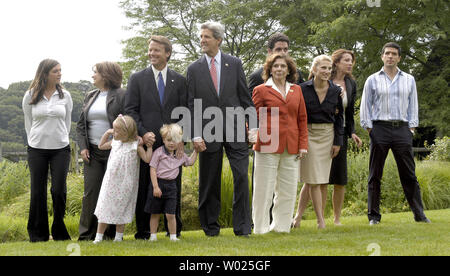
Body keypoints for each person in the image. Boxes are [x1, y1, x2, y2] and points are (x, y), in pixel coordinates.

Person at [187, 21, 257, 237]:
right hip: (208, 131)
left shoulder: (234, 63)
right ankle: (210, 227)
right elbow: (191, 104)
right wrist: (195, 134)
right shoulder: (194, 69)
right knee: (209, 180)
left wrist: (253, 127)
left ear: (218, 39)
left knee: (241, 178)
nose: (202, 40)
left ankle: (243, 226)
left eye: (206, 36)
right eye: (201, 37)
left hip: (236, 128)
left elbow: (246, 98)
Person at [125, 35, 188, 239]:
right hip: (148, 144)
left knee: (173, 186)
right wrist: (143, 133)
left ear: (167, 53)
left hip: (172, 143)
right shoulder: (137, 78)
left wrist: (180, 141)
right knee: (145, 186)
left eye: (156, 50)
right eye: (150, 50)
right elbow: (130, 110)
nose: (151, 53)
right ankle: (143, 231)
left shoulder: (179, 80)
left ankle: (174, 231)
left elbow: (185, 112)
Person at [360, 42, 430, 225]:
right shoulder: (372, 79)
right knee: (375, 174)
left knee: (409, 174)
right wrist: (369, 129)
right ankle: (374, 217)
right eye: (387, 53)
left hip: (402, 129)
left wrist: (411, 128)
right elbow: (365, 106)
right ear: (382, 56)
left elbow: (413, 105)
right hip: (379, 128)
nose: (390, 56)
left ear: (399, 57)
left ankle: (419, 214)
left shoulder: (409, 79)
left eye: (394, 54)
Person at [251, 53, 308, 234]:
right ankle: (260, 228)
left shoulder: (296, 90)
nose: (279, 69)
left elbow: (302, 119)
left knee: (288, 190)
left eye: (283, 66)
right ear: (269, 69)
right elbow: (253, 117)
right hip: (267, 144)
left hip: (291, 145)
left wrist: (303, 145)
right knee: (263, 189)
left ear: (289, 70)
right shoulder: (261, 90)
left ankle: (282, 228)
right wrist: (253, 135)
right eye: (275, 66)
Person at [22, 59, 73, 242]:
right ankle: (38, 234)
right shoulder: (30, 95)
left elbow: (66, 122)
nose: (59, 74)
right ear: (44, 73)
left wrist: (60, 138)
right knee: (38, 191)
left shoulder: (65, 95)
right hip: (36, 149)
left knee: (59, 190)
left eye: (60, 70)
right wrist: (33, 141)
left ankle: (59, 231)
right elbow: (28, 122)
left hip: (61, 148)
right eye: (55, 71)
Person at [292, 55, 344, 229]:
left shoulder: (336, 91)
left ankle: (297, 218)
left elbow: (340, 119)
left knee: (315, 180)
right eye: (323, 68)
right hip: (308, 134)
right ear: (314, 69)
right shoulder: (301, 89)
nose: (327, 72)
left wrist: (338, 141)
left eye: (329, 69)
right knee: (314, 180)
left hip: (327, 136)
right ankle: (321, 220)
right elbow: (296, 115)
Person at [76, 61, 126, 241]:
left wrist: (116, 141)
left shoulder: (121, 95)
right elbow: (81, 126)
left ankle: (109, 234)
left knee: (112, 192)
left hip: (115, 152)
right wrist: (83, 147)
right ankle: (86, 234)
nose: (92, 76)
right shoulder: (90, 95)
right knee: (91, 193)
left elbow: (127, 122)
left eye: (95, 72)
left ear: (105, 75)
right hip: (93, 153)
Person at [93, 115, 153, 244]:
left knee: (122, 208)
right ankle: (98, 237)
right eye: (113, 130)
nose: (114, 132)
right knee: (105, 206)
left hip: (126, 183)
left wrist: (150, 147)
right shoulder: (115, 142)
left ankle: (118, 237)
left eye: (116, 130)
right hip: (110, 182)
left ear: (126, 132)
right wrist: (108, 132)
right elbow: (101, 145)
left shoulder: (135, 145)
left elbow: (147, 159)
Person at [145, 124, 198, 242]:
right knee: (155, 213)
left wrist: (196, 151)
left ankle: (173, 236)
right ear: (163, 140)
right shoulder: (158, 152)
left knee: (170, 214)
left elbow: (190, 162)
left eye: (175, 140)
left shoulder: (180, 155)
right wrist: (155, 187)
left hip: (171, 186)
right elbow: (152, 169)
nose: (171, 143)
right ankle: (153, 236)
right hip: (158, 184)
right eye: (168, 140)